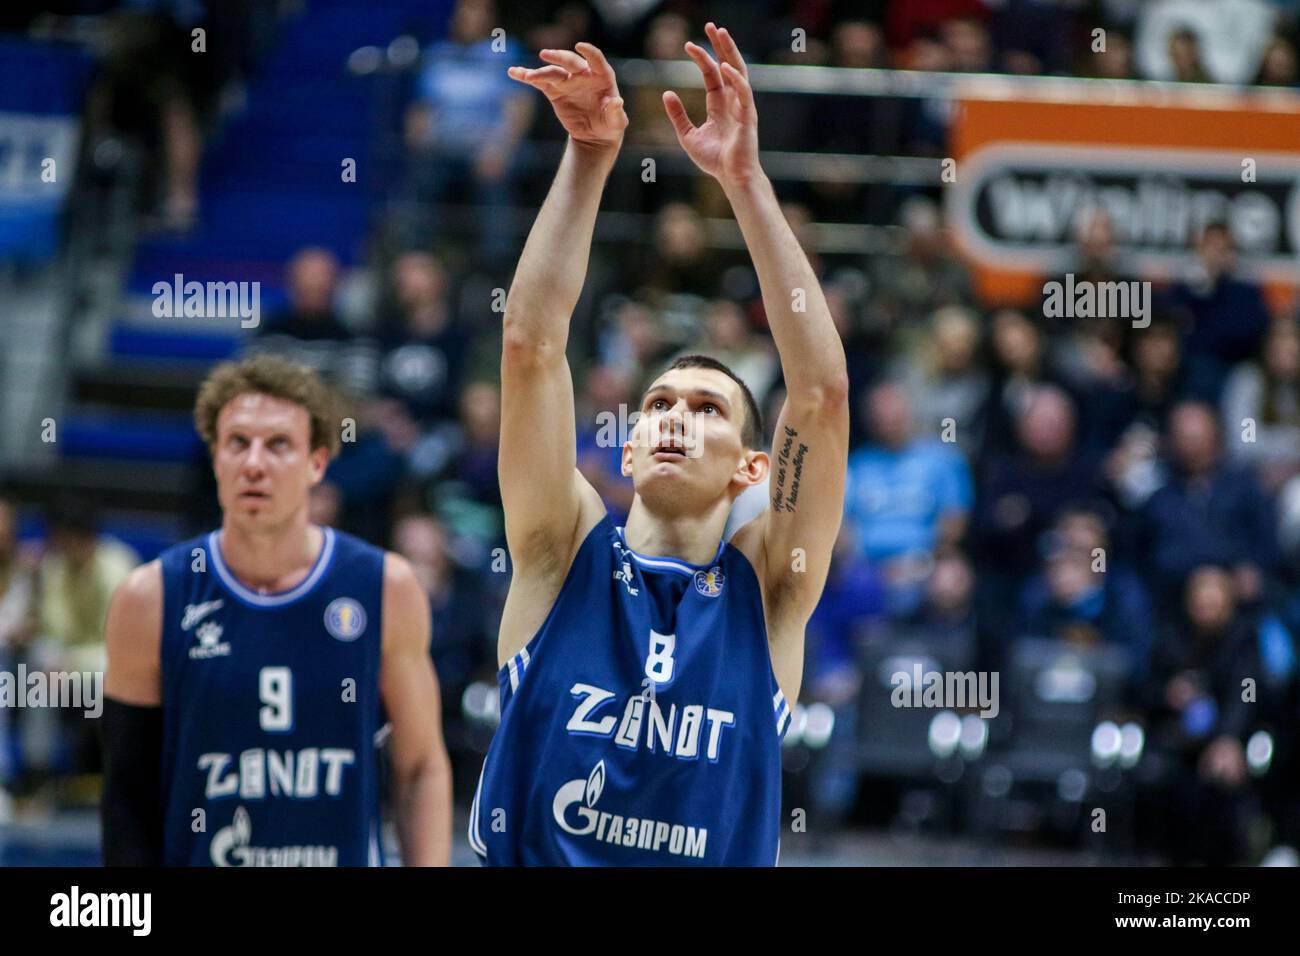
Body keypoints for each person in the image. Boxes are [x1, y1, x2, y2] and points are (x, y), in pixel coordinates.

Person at [471, 25, 848, 866]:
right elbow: (531, 344)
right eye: (659, 403)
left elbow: (819, 397)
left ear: (753, 469)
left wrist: (744, 181)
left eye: (710, 408)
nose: (676, 416)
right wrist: (587, 155)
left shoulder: (769, 596)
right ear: (631, 450)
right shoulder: (556, 553)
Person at [100, 356, 452, 866]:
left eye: (279, 444)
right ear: (216, 457)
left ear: (317, 463)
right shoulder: (150, 598)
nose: (255, 463)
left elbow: (420, 766)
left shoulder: (383, 587)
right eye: (238, 442)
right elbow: (127, 796)